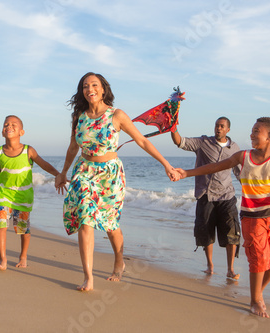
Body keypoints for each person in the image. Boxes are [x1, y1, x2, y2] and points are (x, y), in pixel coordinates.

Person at [55, 72, 180, 291]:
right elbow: (73, 147)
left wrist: (166, 164)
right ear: (82, 91)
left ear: (103, 89)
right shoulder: (80, 117)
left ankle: (119, 260)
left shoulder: (117, 115)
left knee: (111, 226)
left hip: (110, 176)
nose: (90, 89)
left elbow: (141, 140)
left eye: (94, 85)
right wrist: (63, 172)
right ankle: (89, 277)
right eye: (85, 86)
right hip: (84, 171)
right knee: (86, 218)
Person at [176, 117, 270, 318]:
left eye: (257, 131)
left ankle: (258, 293)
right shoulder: (243, 156)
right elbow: (215, 167)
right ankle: (255, 300)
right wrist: (186, 173)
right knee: (258, 258)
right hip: (251, 218)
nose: (251, 134)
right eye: (252, 130)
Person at [170, 117, 241, 279]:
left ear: (228, 130)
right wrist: (172, 127)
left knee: (232, 231)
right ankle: (210, 265)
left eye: (222, 126)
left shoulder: (235, 148)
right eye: (216, 125)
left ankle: (230, 269)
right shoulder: (203, 143)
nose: (218, 128)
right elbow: (180, 142)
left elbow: (239, 172)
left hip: (227, 196)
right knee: (206, 232)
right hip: (206, 195)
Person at [0, 115, 64, 270]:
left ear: (21, 132)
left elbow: (44, 164)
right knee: (1, 225)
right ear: (2, 132)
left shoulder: (28, 151)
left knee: (22, 229)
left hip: (23, 196)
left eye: (13, 124)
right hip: (3, 195)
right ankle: (3, 260)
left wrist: (58, 174)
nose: (9, 126)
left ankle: (23, 256)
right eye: (6, 124)